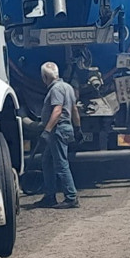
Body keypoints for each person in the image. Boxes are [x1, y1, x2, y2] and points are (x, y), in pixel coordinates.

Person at [34, 61, 81, 209]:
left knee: (61, 164)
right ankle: (50, 196)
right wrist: (78, 127)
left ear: (44, 77)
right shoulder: (68, 88)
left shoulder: (55, 90)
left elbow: (57, 111)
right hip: (65, 128)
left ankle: (71, 197)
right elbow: (74, 110)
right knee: (47, 161)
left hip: (58, 130)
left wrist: (47, 130)